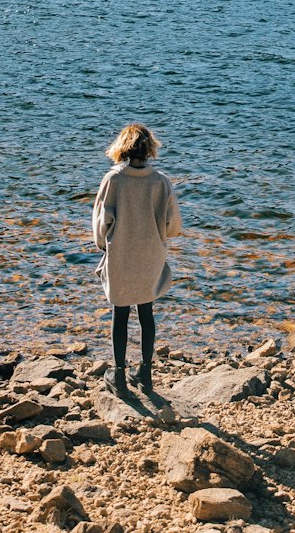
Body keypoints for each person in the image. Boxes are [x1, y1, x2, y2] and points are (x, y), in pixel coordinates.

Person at [92, 122, 182, 396]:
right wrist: (158, 238)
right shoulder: (160, 181)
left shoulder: (113, 180)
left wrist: (103, 246)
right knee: (146, 312)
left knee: (120, 312)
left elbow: (101, 224)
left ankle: (118, 377)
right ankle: (145, 374)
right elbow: (173, 225)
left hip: (121, 251)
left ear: (121, 147)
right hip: (151, 252)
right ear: (149, 149)